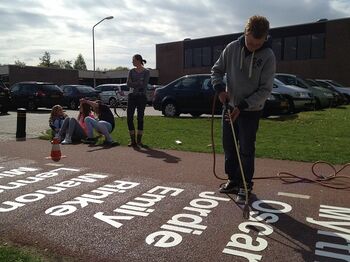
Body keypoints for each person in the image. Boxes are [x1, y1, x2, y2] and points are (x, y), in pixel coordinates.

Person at [211, 15, 276, 202]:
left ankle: (246, 184)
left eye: (258, 44)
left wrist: (244, 105)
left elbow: (266, 89)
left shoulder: (268, 56)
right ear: (245, 32)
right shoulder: (232, 48)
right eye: (250, 42)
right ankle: (233, 180)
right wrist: (219, 89)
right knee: (229, 146)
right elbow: (216, 70)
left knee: (246, 148)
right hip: (229, 107)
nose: (253, 46)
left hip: (251, 111)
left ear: (265, 38)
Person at [126, 54, 150, 147]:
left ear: (138, 60)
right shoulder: (131, 71)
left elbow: (144, 85)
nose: (132, 62)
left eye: (133, 60)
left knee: (140, 118)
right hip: (131, 96)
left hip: (141, 97)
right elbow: (128, 83)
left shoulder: (146, 72)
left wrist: (134, 84)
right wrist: (138, 82)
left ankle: (139, 141)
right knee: (129, 118)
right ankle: (133, 141)